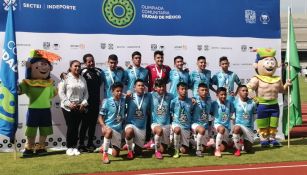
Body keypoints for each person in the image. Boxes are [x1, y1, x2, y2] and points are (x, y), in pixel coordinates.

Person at [19, 50, 60, 157]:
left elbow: (53, 93)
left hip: (46, 109)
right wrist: (12, 83)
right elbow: (19, 90)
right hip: (33, 110)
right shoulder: (27, 82)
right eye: (41, 64)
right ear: (31, 67)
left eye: (46, 64)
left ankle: (41, 146)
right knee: (31, 129)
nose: (44, 67)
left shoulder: (49, 83)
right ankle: (29, 147)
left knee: (45, 128)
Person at [247, 48, 291, 147]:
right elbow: (248, 88)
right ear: (258, 65)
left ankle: (272, 139)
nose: (270, 64)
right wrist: (255, 99)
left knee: (273, 123)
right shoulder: (256, 78)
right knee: (263, 124)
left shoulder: (277, 79)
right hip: (262, 105)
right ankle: (264, 140)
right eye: (267, 62)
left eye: (272, 61)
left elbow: (282, 91)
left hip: (274, 105)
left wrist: (287, 85)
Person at [58, 60, 89, 156]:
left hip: (79, 107)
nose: (77, 68)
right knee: (71, 127)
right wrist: (68, 103)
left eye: (79, 66)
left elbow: (86, 93)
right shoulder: (66, 77)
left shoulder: (82, 79)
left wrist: (83, 103)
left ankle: (74, 147)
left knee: (76, 127)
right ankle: (69, 147)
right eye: (75, 66)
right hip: (68, 107)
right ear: (70, 67)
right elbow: (61, 92)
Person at [144, 50, 171, 148]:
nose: (160, 59)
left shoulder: (167, 68)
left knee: (163, 116)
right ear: (154, 58)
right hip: (153, 97)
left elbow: (169, 79)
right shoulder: (149, 68)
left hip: (163, 96)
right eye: (158, 58)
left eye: (161, 58)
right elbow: (142, 77)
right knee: (150, 118)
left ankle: (161, 141)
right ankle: (149, 139)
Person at [78, 54, 102, 152]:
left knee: (92, 124)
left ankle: (90, 144)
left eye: (92, 61)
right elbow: (70, 73)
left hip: (96, 102)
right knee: (85, 124)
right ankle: (81, 144)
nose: (91, 63)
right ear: (85, 63)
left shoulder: (99, 71)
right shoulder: (82, 71)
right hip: (86, 102)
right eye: (89, 61)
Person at [98, 82, 126, 164]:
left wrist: (128, 94)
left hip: (118, 129)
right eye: (117, 91)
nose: (119, 93)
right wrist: (103, 126)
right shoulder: (107, 101)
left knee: (116, 154)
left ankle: (104, 148)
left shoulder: (124, 101)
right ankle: (105, 155)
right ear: (112, 91)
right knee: (109, 131)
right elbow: (100, 117)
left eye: (121, 91)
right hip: (108, 127)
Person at [125, 79, 152, 159]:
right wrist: (127, 94)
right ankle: (130, 151)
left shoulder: (148, 96)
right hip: (131, 124)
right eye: (139, 85)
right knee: (129, 132)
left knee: (138, 152)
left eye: (142, 85)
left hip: (141, 127)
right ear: (134, 87)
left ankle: (131, 145)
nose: (141, 87)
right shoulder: (130, 96)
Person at [150, 79, 174, 159]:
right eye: (159, 87)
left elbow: (179, 99)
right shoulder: (151, 95)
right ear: (155, 88)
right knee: (159, 131)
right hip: (155, 123)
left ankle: (152, 144)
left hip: (166, 125)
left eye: (163, 86)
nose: (162, 88)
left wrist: (192, 99)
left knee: (163, 149)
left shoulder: (170, 96)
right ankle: (156, 151)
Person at [170, 82, 194, 158]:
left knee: (184, 151)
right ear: (178, 90)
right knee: (177, 130)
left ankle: (185, 142)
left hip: (186, 127)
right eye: (182, 89)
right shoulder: (173, 101)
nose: (184, 91)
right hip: (177, 124)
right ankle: (176, 149)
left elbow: (192, 112)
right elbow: (171, 112)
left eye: (185, 89)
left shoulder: (191, 101)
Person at [232, 85, 257, 156]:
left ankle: (242, 141)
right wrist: (235, 123)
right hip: (239, 125)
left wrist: (250, 122)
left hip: (249, 127)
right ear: (239, 92)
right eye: (243, 91)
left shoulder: (252, 102)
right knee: (236, 129)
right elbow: (231, 115)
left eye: (246, 91)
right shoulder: (235, 102)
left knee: (248, 150)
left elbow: (255, 115)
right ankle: (238, 149)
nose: (245, 92)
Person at [210, 87, 234, 157]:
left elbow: (232, 114)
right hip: (217, 126)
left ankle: (213, 144)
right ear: (217, 95)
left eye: (225, 94)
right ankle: (217, 150)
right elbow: (211, 113)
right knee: (221, 129)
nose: (223, 96)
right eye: (221, 94)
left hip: (226, 128)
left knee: (223, 148)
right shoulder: (214, 103)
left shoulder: (229, 103)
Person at [191, 83, 211, 157]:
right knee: (201, 130)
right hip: (195, 124)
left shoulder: (209, 100)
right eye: (202, 90)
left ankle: (191, 141)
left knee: (205, 148)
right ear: (198, 91)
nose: (204, 92)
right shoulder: (194, 100)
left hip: (205, 127)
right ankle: (198, 151)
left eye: (206, 90)